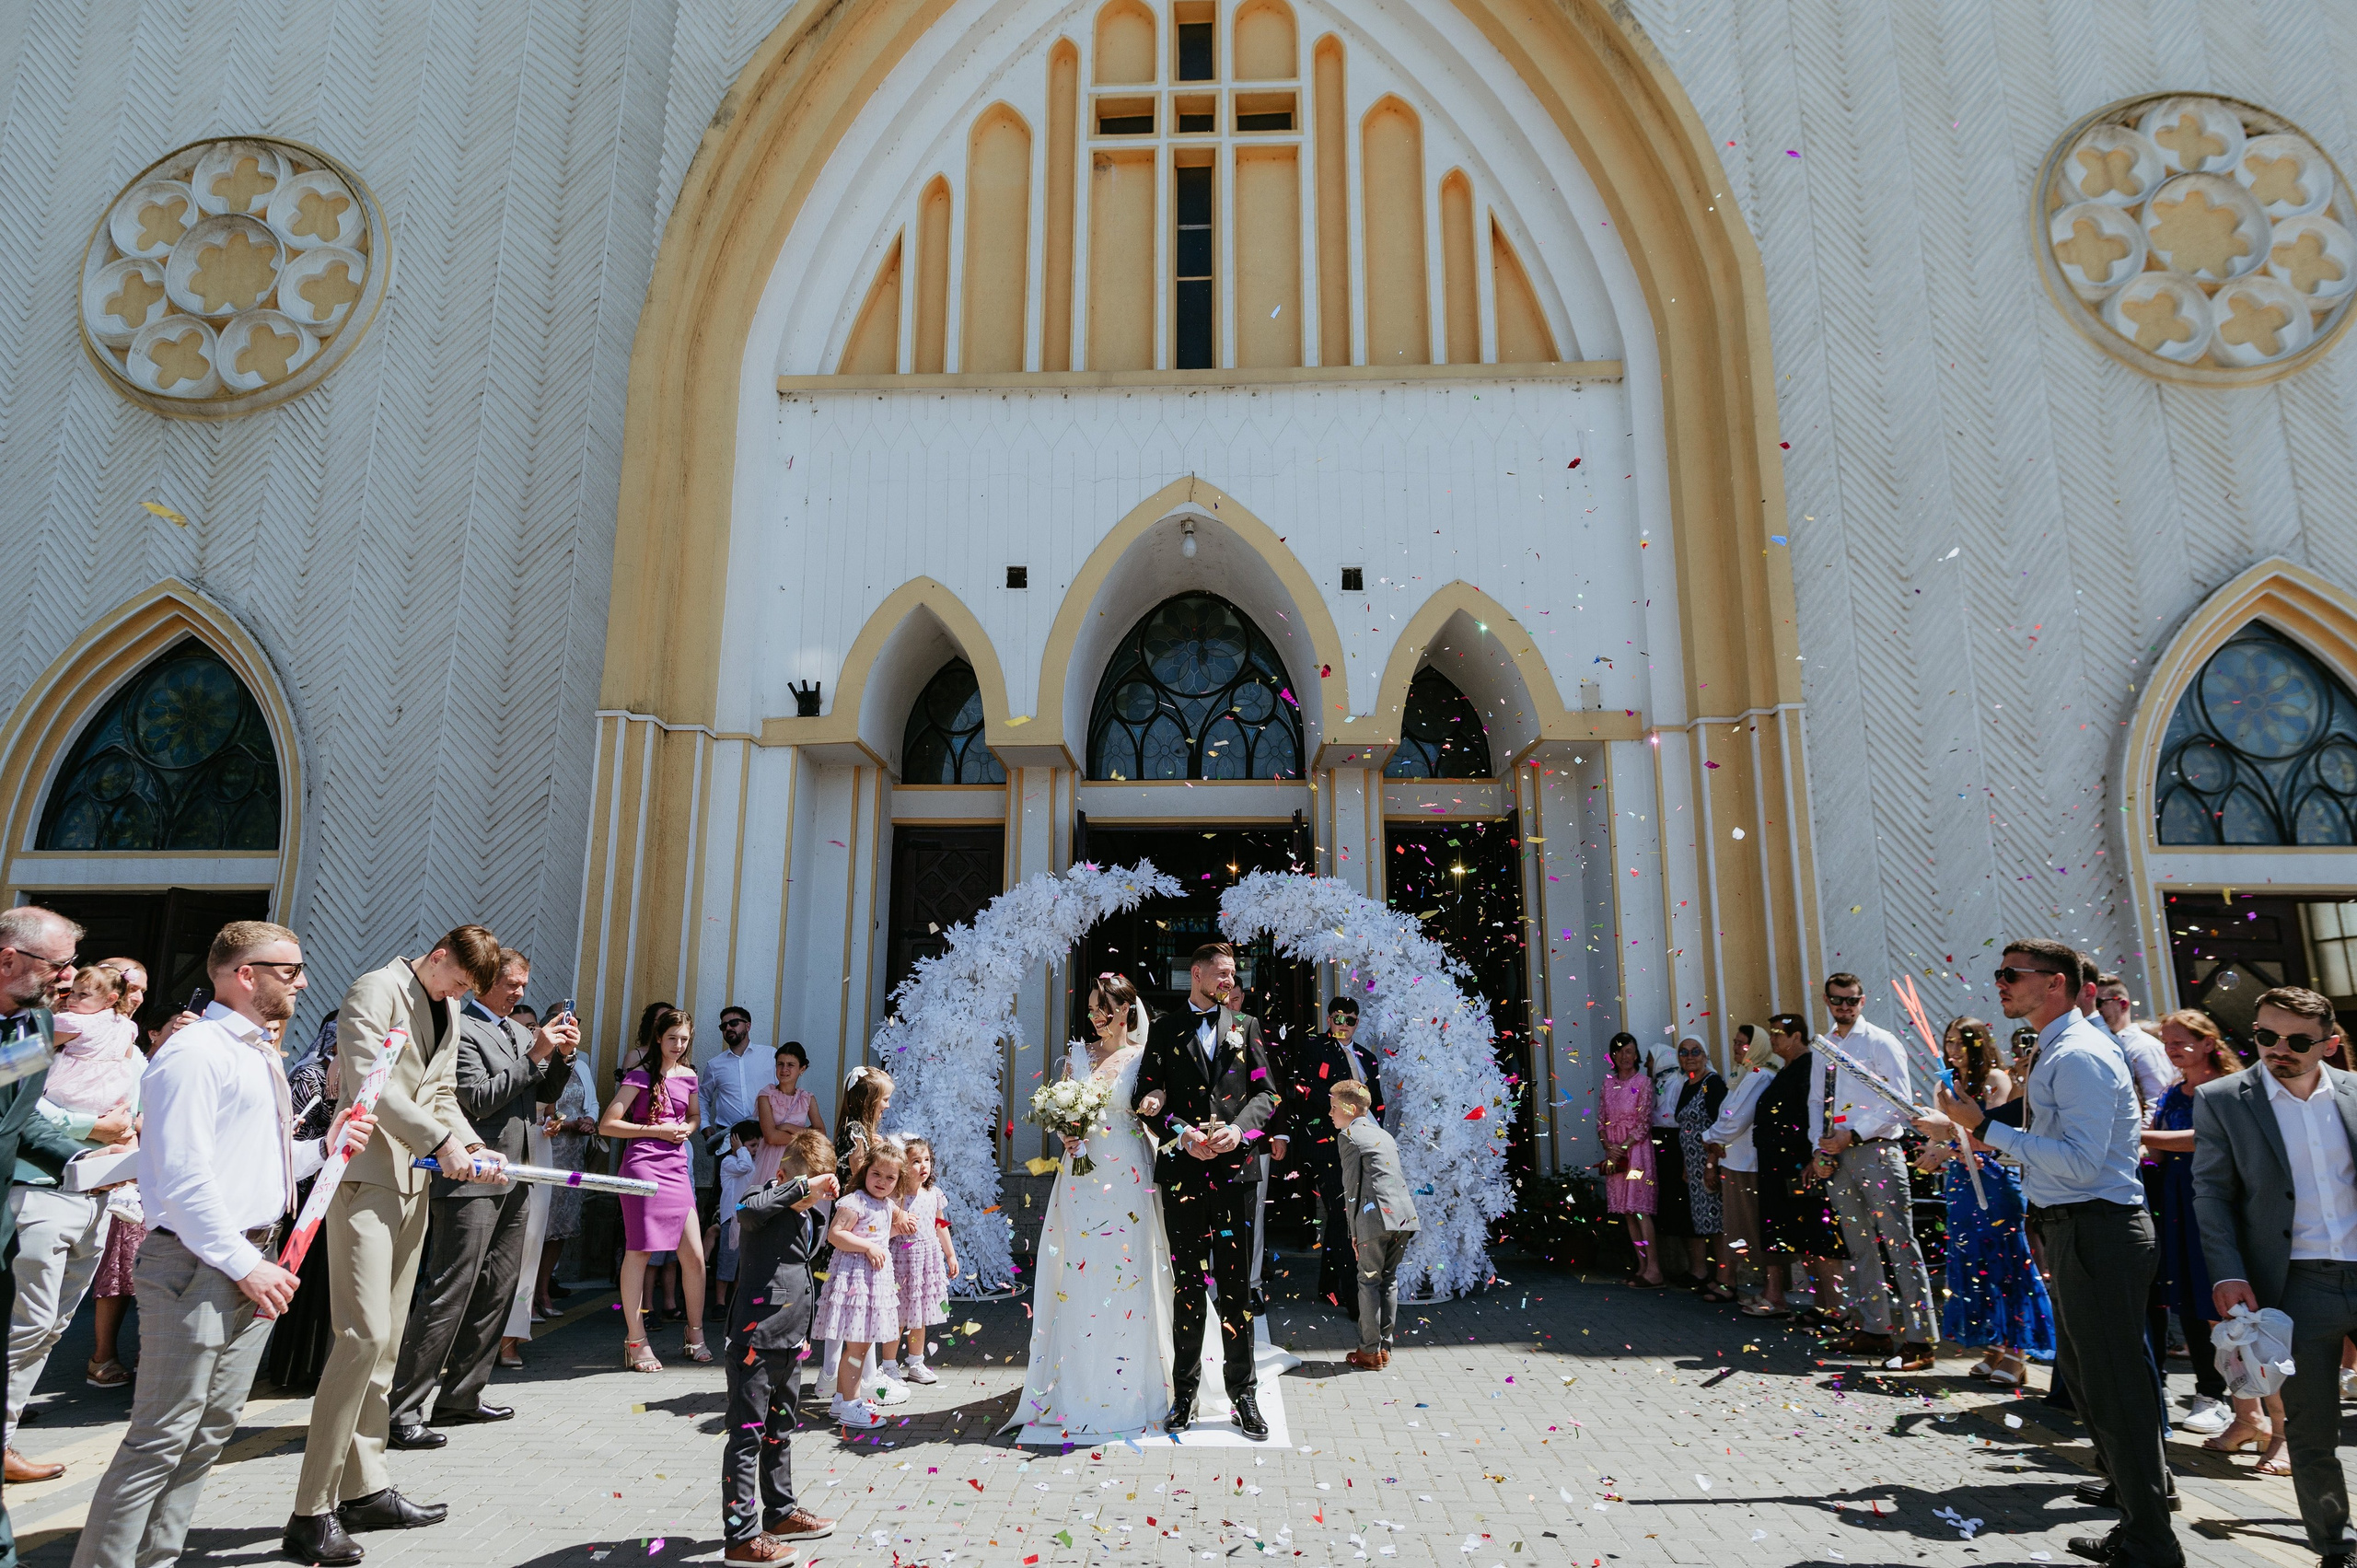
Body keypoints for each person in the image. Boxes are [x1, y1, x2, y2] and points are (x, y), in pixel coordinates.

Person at [71, 920, 377, 1568]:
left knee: (206, 1433)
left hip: (246, 1259)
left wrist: (323, 1147)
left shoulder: (255, 1052)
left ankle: (155, 1558)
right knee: (160, 1438)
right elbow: (181, 1178)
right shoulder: (196, 1052)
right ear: (246, 974)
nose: (300, 982)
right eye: (289, 969)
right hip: (197, 1262)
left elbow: (251, 1166)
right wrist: (246, 1264)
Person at [1918, 939, 2184, 1568]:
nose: (2001, 984)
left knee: (2114, 1388)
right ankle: (2134, 1515)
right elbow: (2046, 1143)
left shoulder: (2082, 1052)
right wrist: (1965, 1129)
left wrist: (1982, 1127)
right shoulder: (2056, 1047)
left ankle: (2152, 1540)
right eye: (2000, 973)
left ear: (2057, 984)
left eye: (2013, 974)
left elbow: (2084, 1159)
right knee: (2091, 1386)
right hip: (2074, 1227)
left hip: (2101, 1229)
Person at [286, 927, 506, 1567]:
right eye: (460, 980)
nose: (462, 993)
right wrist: (444, 1142)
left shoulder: (451, 1006)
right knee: (359, 1336)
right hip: (363, 1178)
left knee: (384, 1344)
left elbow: (439, 1094)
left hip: (412, 1182)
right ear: (439, 955)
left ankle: (364, 1485)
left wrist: (470, 1142)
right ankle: (310, 1510)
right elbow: (369, 1084)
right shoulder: (374, 989)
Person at [387, 951, 578, 1447]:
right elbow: (476, 1099)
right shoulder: (464, 1029)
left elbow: (543, 1095)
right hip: (470, 1175)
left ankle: (462, 1396)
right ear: (483, 982)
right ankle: (402, 1408)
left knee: (499, 1287)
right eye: (510, 984)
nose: (518, 992)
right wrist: (536, 1055)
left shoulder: (518, 1032)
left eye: (523, 984)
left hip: (514, 1174)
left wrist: (562, 1056)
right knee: (451, 1287)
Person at [2192, 985, 2357, 1559]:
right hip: (2296, 1285)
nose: (2277, 1049)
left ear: (2329, 1044)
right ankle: (2339, 1550)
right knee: (2311, 1432)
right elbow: (2211, 1193)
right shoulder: (2222, 1099)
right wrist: (2227, 1272)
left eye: (2296, 1040)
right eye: (2265, 1036)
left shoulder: (2356, 1094)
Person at [1005, 974, 1173, 1442]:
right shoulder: (1077, 1056)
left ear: (1127, 1011)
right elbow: (1059, 1107)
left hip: (1127, 1173)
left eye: (1106, 1009)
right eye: (1093, 1009)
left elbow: (1159, 1107)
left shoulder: (1143, 1058)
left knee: (1127, 1269)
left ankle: (1131, 1388)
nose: (1098, 1018)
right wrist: (1066, 1133)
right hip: (1080, 1171)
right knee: (1079, 1270)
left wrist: (1156, 1104)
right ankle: (1075, 1385)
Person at [1133, 942, 1277, 1440]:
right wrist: (1179, 1131)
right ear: (1195, 973)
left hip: (1235, 1175)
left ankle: (1244, 1397)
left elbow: (1268, 1093)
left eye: (1233, 974)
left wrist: (1240, 1133)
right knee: (1188, 1288)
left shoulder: (1246, 1026)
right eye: (1221, 973)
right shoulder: (1165, 1028)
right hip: (1183, 1176)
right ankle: (1185, 1396)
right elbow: (1145, 1095)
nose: (1229, 982)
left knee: (1237, 1289)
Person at [6, 960, 140, 1476]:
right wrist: (89, 1131)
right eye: (59, 970)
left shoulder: (122, 1037)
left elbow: (134, 1100)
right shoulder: (33, 1032)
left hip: (101, 1195)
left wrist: (127, 1129)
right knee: (28, 1323)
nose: (66, 983)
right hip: (41, 1190)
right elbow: (15, 1104)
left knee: (53, 1328)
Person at [0, 906, 91, 1539]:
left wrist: (83, 1159)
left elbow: (21, 1114)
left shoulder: (32, 1021)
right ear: (8, 959)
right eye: (58, 965)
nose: (70, 976)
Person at [2142, 1010, 2270, 1454]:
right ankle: (2246, 1414)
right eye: (2167, 1042)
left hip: (2218, 1204)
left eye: (2181, 1041)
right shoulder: (2171, 1092)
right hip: (2180, 1203)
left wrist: (2144, 1136)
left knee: (2233, 1311)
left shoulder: (2228, 1090)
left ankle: (2262, 1417)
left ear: (2209, 1043)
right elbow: (2157, 1154)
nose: (2172, 1049)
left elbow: (2203, 1138)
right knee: (2208, 1312)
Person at [719, 1126, 839, 1562]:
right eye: (810, 1186)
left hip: (792, 1337)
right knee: (746, 1438)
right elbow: (747, 1213)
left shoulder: (814, 1215)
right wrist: (800, 1188)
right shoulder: (759, 1197)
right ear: (788, 1174)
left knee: (779, 1433)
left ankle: (781, 1511)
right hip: (757, 1335)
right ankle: (741, 1538)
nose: (815, 1198)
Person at [1917, 1017, 2052, 1388]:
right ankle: (1992, 1344)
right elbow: (1944, 1133)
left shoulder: (1997, 1078)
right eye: (1949, 1042)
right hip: (1961, 1180)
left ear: (1981, 1043)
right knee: (1973, 1262)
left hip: (1994, 1178)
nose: (1955, 1049)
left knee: (2006, 1261)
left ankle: (2017, 1350)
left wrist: (1944, 1145)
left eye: (1963, 1042)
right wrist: (1931, 1148)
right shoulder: (1943, 1082)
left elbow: (1987, 1134)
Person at [1817, 972, 1939, 1369]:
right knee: (1859, 1244)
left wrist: (1854, 1133)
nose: (1845, 1007)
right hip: (1836, 1154)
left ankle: (1920, 1339)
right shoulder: (1824, 1046)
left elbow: (1901, 1103)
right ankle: (1875, 1329)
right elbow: (1815, 1100)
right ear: (1827, 1001)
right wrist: (1817, 1147)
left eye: (1851, 1000)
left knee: (1899, 1242)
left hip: (1878, 1150)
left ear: (1863, 1000)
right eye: (1837, 1001)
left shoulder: (1882, 1042)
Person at [602, 1005, 711, 1371]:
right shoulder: (638, 1076)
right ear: (658, 1038)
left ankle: (694, 1334)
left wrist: (688, 1129)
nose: (678, 1045)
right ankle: (636, 1340)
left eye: (684, 1039)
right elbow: (609, 1125)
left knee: (694, 1256)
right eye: (671, 1039)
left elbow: (694, 1116)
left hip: (677, 1167)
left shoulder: (689, 1076)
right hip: (642, 1166)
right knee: (640, 1252)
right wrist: (657, 1131)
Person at [1283, 998, 1385, 1311]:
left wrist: (1375, 1137)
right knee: (1343, 1214)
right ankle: (1354, 1298)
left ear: (1357, 1023)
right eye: (1338, 1018)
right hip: (1327, 1143)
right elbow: (1309, 1090)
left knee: (1344, 1218)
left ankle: (1329, 1286)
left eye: (1350, 1020)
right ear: (1329, 1019)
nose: (1343, 1024)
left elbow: (1378, 1102)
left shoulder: (1368, 1058)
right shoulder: (1314, 1049)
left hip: (1360, 1146)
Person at [1755, 1014, 1848, 1329]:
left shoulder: (1810, 1067)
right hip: (1779, 1168)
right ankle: (1819, 1304)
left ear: (1797, 1036)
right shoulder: (1786, 1070)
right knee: (1800, 1238)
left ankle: (1837, 1308)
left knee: (1818, 1236)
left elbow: (1821, 1113)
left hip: (1803, 1166)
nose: (1773, 1039)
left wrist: (1816, 1156)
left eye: (1779, 1034)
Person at [262, 1031, 343, 1391]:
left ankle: (319, 1366)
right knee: (304, 1282)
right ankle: (293, 1368)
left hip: (338, 1193)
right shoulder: (311, 1074)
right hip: (310, 1193)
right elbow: (296, 1135)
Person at [813, 1134, 906, 1430]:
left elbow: (878, 1236)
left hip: (873, 1284)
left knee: (861, 1347)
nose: (882, 1181)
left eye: (890, 1177)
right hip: (855, 1284)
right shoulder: (855, 1202)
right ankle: (850, 1406)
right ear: (865, 1171)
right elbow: (835, 1234)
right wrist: (868, 1248)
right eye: (876, 1173)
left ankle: (843, 1398)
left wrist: (893, 1233)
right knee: (857, 1348)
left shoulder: (886, 1205)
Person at [1333, 1079, 1418, 1370]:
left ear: (1349, 1108)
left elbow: (1352, 1187)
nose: (1330, 1113)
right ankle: (1385, 1349)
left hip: (1374, 1218)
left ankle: (1369, 1351)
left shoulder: (1349, 1136)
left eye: (1333, 1107)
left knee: (1368, 1282)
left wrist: (1354, 1232)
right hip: (1404, 1216)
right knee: (1389, 1279)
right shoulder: (1383, 1135)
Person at [1704, 1026, 1779, 1312]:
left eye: (1743, 1044)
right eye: (1734, 1043)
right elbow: (1727, 1114)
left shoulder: (1760, 1076)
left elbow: (1737, 1120)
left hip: (1748, 1162)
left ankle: (1771, 1290)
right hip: (1733, 1160)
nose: (1736, 1048)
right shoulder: (1741, 1075)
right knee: (1736, 1227)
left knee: (1755, 1228)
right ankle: (1734, 1282)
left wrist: (1709, 1139)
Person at [532, 1051, 598, 1318]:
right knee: (538, 1224)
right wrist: (567, 1123)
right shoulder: (535, 1063)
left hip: (571, 1155)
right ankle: (526, 1295)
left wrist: (589, 1120)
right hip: (543, 1149)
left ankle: (544, 1289)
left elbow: (591, 1103)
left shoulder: (581, 1066)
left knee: (561, 1224)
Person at [890, 1136, 954, 1382]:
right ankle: (888, 1366)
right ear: (902, 1166)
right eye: (916, 1161)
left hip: (926, 1262)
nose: (923, 1166)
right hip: (901, 1262)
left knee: (919, 1315)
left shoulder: (933, 1194)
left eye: (926, 1159)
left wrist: (950, 1254)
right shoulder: (896, 1197)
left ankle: (916, 1362)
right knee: (896, 1316)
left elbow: (940, 1224)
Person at [1600, 1034, 1662, 1286]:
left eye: (1629, 1051)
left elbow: (1644, 1121)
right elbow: (1601, 1118)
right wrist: (1608, 1145)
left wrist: (1622, 1147)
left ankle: (1655, 1269)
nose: (1624, 1057)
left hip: (1636, 1154)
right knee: (1627, 1212)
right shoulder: (1607, 1084)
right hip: (1615, 1153)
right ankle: (1641, 1266)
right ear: (1612, 1056)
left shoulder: (1644, 1083)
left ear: (1636, 1055)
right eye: (1619, 1052)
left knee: (1639, 1210)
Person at [1673, 1039, 1730, 1300]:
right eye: (1683, 1052)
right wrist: (1688, 1164)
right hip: (1693, 1167)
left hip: (1709, 1164)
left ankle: (1725, 1280)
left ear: (1706, 1055)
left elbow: (1721, 1126)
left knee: (1717, 1225)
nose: (1689, 1057)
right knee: (1705, 1223)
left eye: (1696, 1051)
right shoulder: (1687, 1084)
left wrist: (1711, 1165)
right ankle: (1713, 1277)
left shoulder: (1713, 1084)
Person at [698, 1005, 766, 1225]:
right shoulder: (715, 1065)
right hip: (729, 1138)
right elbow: (702, 1097)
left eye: (733, 1023)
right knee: (724, 1194)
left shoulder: (771, 1055)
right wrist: (705, 1127)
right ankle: (716, 1249)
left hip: (764, 1136)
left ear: (748, 1025)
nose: (728, 1028)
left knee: (762, 1186)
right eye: (723, 1025)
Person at [2098, 974, 2177, 1111]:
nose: (2094, 1010)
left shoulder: (2143, 1047)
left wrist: (2138, 1133)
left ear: (2123, 1004)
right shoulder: (2105, 1044)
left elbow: (2157, 1105)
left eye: (2099, 1003)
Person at [751, 1042, 823, 1189]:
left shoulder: (807, 1098)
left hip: (800, 1158)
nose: (784, 1069)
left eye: (790, 1065)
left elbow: (821, 1133)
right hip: (772, 1160)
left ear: (801, 1069)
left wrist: (787, 1127)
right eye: (780, 1064)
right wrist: (805, 1137)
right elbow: (771, 1137)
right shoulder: (766, 1095)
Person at [711, 1119, 761, 1309]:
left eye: (758, 1145)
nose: (755, 1149)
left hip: (747, 1219)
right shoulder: (729, 1162)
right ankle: (720, 1302)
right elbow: (744, 1167)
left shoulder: (751, 1161)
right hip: (731, 1219)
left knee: (743, 1263)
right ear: (736, 1143)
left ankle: (738, 1299)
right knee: (728, 1261)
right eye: (752, 1145)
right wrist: (740, 1149)